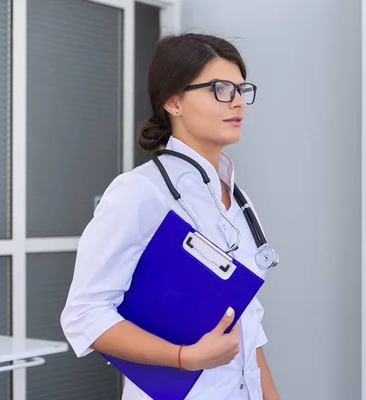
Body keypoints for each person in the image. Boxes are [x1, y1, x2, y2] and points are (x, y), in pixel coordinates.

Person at [60, 33, 280, 400]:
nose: (238, 101)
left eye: (241, 89)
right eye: (221, 89)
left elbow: (249, 329)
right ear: (173, 101)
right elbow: (85, 314)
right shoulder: (140, 191)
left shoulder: (239, 203)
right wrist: (183, 357)